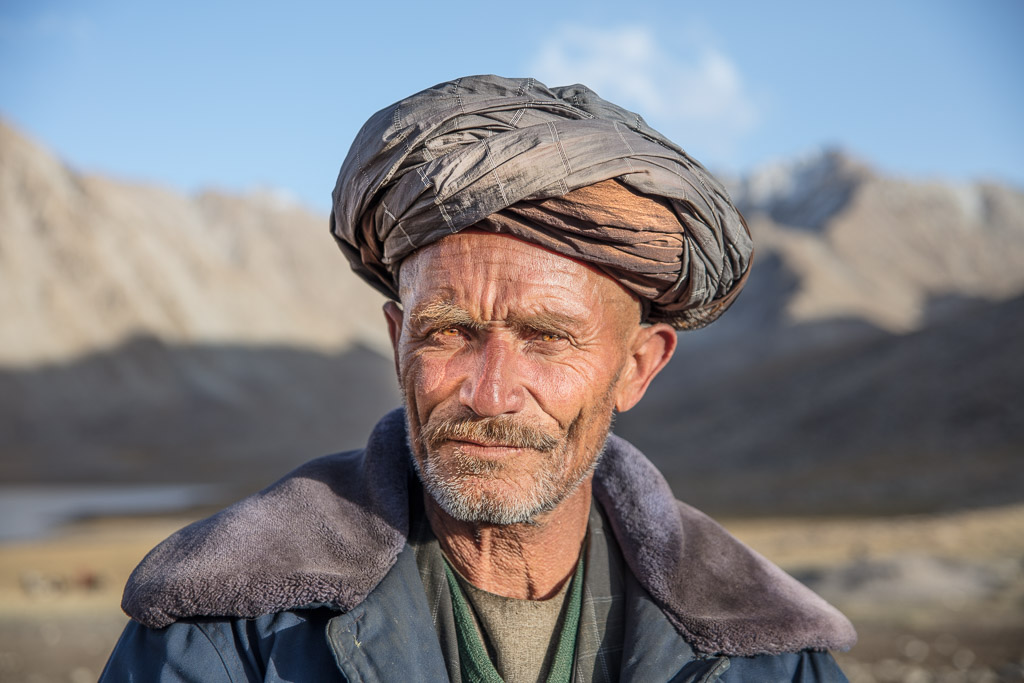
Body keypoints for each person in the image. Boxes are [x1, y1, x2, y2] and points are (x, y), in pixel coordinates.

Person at [101, 76, 855, 682]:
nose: (490, 392)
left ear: (637, 366)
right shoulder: (227, 634)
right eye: (449, 331)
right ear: (399, 342)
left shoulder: (766, 649)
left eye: (548, 338)